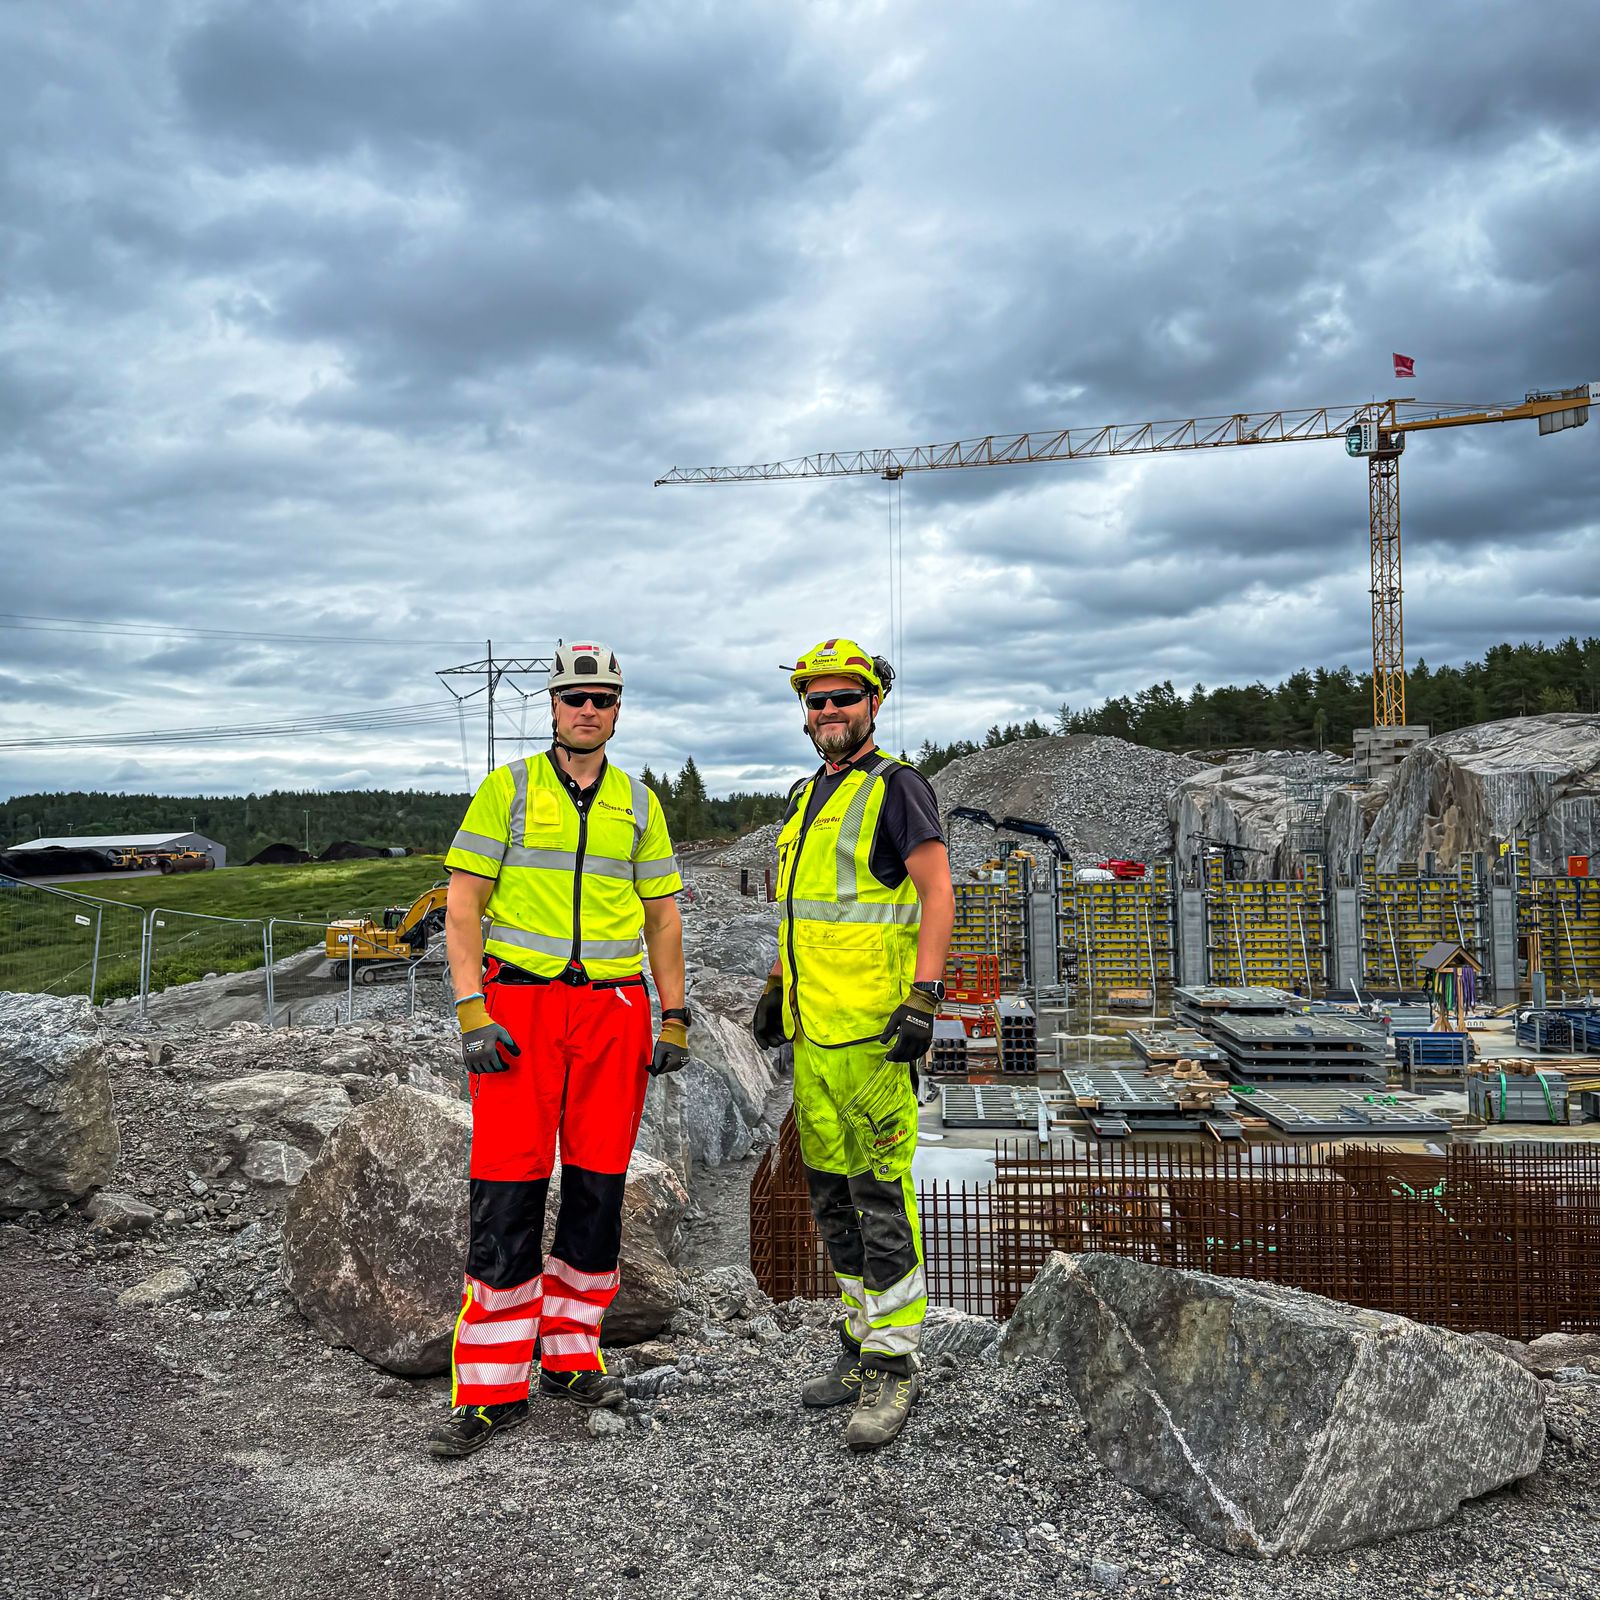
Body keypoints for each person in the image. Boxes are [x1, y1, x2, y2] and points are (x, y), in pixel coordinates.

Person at [425, 641, 688, 1459]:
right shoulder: (507, 791)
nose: (588, 710)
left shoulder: (640, 806)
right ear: (552, 706)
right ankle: (493, 1390)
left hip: (613, 1014)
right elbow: (462, 907)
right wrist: (471, 1010)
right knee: (507, 1191)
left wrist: (673, 1013)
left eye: (602, 699)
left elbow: (663, 918)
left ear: (618, 710)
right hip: (520, 1014)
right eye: (575, 697)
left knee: (599, 1190)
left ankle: (572, 1360)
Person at [751, 637, 953, 1451]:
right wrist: (774, 984)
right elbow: (802, 913)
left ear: (873, 703)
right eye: (816, 701)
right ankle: (856, 1338)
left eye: (843, 698)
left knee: (881, 1199)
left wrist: (925, 997)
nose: (828, 711)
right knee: (832, 1199)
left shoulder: (898, 789)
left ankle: (895, 1366)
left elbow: (938, 892)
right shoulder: (805, 798)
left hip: (875, 1039)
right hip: (815, 1040)